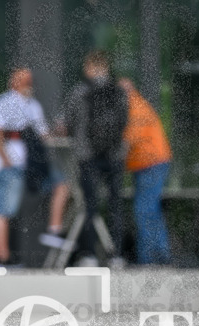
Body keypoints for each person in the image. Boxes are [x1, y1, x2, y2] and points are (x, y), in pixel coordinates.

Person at [0, 68, 70, 266]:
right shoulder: (2, 102)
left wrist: (59, 132)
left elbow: (44, 135)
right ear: (13, 81)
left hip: (32, 165)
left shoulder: (33, 106)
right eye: (24, 80)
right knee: (3, 210)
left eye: (30, 80)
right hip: (9, 164)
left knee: (61, 184)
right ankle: (3, 259)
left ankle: (54, 230)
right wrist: (4, 159)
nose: (28, 84)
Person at [59, 50, 128, 265]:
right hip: (115, 155)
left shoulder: (79, 92)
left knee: (90, 205)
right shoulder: (119, 91)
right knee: (116, 205)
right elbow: (124, 122)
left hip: (87, 156)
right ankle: (116, 255)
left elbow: (67, 123)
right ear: (106, 67)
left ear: (88, 68)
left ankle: (89, 255)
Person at [119, 78, 173, 265]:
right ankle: (161, 255)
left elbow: (127, 142)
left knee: (144, 210)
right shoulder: (135, 106)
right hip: (148, 164)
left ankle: (149, 259)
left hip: (151, 164)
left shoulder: (135, 109)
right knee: (151, 210)